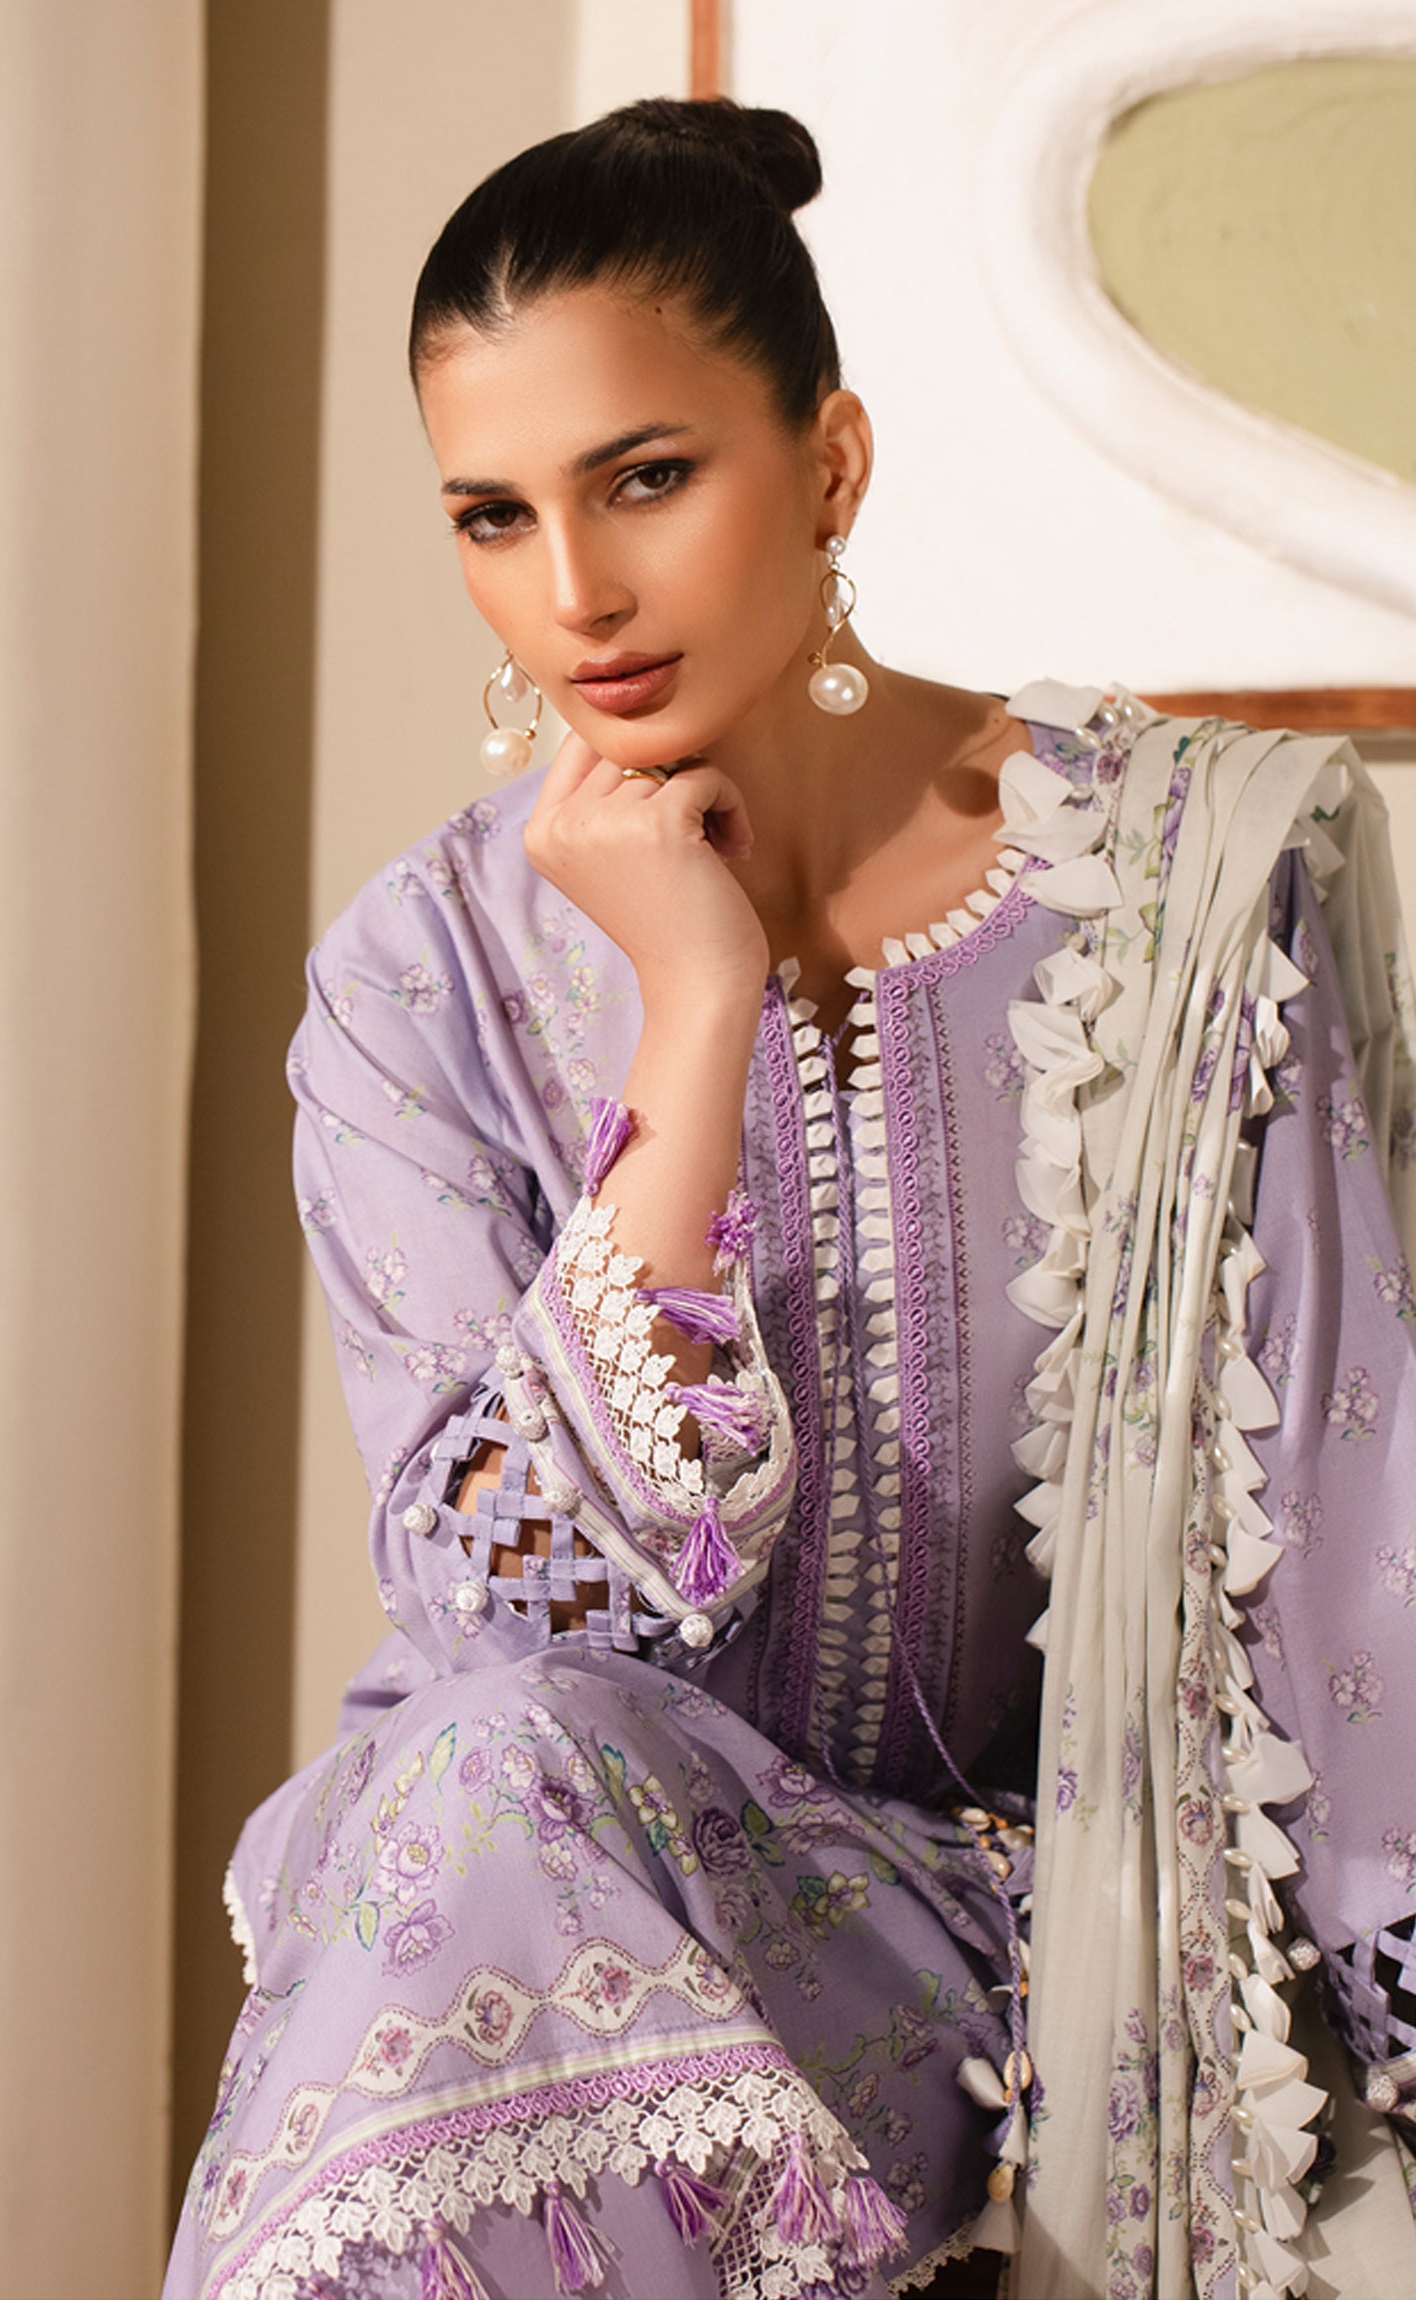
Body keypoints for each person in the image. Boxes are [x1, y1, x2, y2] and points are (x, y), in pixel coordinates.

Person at [164, 98, 1416, 2300]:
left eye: (646, 477)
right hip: (554, 1905)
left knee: (494, 1793)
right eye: (492, 514)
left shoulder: (1182, 885)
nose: (574, 593)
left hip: (1018, 1951)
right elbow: (519, 1629)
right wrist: (695, 1014)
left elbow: (1353, 1540)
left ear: (830, 462)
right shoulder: (420, 982)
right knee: (494, 1772)